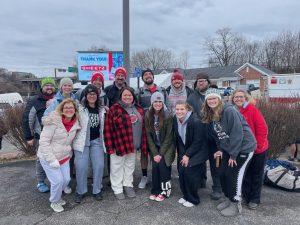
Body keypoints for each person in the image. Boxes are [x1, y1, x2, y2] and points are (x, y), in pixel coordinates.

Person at [202, 88, 256, 217]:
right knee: (222, 173)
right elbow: (220, 136)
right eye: (209, 99)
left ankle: (235, 204)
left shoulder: (229, 110)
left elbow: (237, 133)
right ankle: (228, 198)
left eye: (214, 98)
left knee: (234, 175)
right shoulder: (212, 113)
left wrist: (233, 154)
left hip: (243, 148)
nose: (212, 101)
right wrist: (221, 150)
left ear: (220, 99)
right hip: (229, 148)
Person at [37, 99, 80, 212]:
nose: (69, 110)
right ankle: (54, 201)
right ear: (61, 109)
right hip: (48, 157)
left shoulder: (75, 123)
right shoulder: (54, 121)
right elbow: (43, 141)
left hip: (64, 156)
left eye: (71, 108)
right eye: (66, 108)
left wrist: (70, 153)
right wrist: (51, 159)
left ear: (75, 110)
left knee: (66, 179)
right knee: (57, 181)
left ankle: (58, 197)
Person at [104, 87, 147, 200]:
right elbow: (107, 129)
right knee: (117, 167)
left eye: (130, 95)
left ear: (133, 96)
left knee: (130, 165)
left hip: (133, 145)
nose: (127, 97)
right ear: (121, 96)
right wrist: (110, 146)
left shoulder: (138, 108)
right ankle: (117, 188)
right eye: (125, 95)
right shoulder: (114, 109)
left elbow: (143, 127)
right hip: (118, 144)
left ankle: (128, 184)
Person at [232, 89, 269, 210]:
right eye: (236, 97)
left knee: (256, 174)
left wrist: (258, 147)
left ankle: (254, 199)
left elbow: (262, 128)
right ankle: (246, 196)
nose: (238, 99)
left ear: (246, 98)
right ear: (233, 98)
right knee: (245, 174)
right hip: (244, 150)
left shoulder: (252, 109)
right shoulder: (233, 111)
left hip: (258, 149)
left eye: (241, 97)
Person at [187, 73, 222, 200]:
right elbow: (189, 114)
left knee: (215, 163)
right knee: (199, 160)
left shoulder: (214, 96)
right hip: (199, 135)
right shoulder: (192, 97)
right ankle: (201, 181)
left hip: (214, 136)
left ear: (208, 82)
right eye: (199, 81)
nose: (201, 83)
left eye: (203, 81)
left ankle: (217, 188)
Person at [73, 85, 106, 203]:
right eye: (89, 94)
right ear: (85, 96)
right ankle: (81, 190)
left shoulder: (102, 109)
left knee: (99, 165)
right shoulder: (79, 108)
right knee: (81, 167)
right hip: (82, 142)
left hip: (97, 141)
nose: (92, 96)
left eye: (94, 94)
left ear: (97, 96)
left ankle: (97, 189)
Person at [22, 77, 56, 193]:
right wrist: (29, 136)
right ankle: (41, 181)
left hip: (56, 136)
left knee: (55, 158)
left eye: (51, 85)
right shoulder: (35, 100)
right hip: (40, 136)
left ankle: (54, 180)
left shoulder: (57, 99)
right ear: (42, 87)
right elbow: (27, 118)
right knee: (41, 160)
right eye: (47, 85)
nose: (49, 87)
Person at [43, 77, 76, 194]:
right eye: (65, 85)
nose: (67, 87)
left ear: (72, 87)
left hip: (70, 134)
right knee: (57, 161)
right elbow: (46, 117)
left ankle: (65, 184)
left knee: (68, 160)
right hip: (58, 135)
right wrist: (49, 122)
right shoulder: (54, 101)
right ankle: (58, 184)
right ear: (61, 87)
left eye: (69, 85)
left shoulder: (75, 99)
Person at [136, 68, 168, 189]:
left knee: (159, 149)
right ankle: (144, 176)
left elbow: (167, 107)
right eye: (145, 74)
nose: (148, 76)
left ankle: (160, 173)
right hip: (145, 125)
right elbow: (136, 108)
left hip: (160, 124)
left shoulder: (162, 90)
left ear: (153, 76)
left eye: (150, 74)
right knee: (145, 152)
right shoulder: (139, 92)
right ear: (143, 78)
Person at [173, 101, 208, 207]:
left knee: (190, 173)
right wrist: (183, 155)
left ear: (188, 110)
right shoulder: (176, 120)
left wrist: (187, 155)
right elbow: (180, 139)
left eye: (182, 109)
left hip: (198, 151)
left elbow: (198, 142)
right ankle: (186, 195)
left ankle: (193, 199)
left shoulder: (195, 121)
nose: (179, 111)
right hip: (186, 151)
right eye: (177, 109)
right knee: (181, 172)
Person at [145, 92, 175, 202]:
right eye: (155, 101)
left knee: (163, 165)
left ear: (163, 102)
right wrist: (155, 153)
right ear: (152, 103)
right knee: (155, 166)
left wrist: (160, 153)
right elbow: (148, 136)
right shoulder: (148, 115)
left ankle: (165, 191)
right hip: (155, 147)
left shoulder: (168, 115)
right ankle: (155, 189)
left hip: (167, 147)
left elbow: (169, 137)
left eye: (160, 101)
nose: (158, 103)